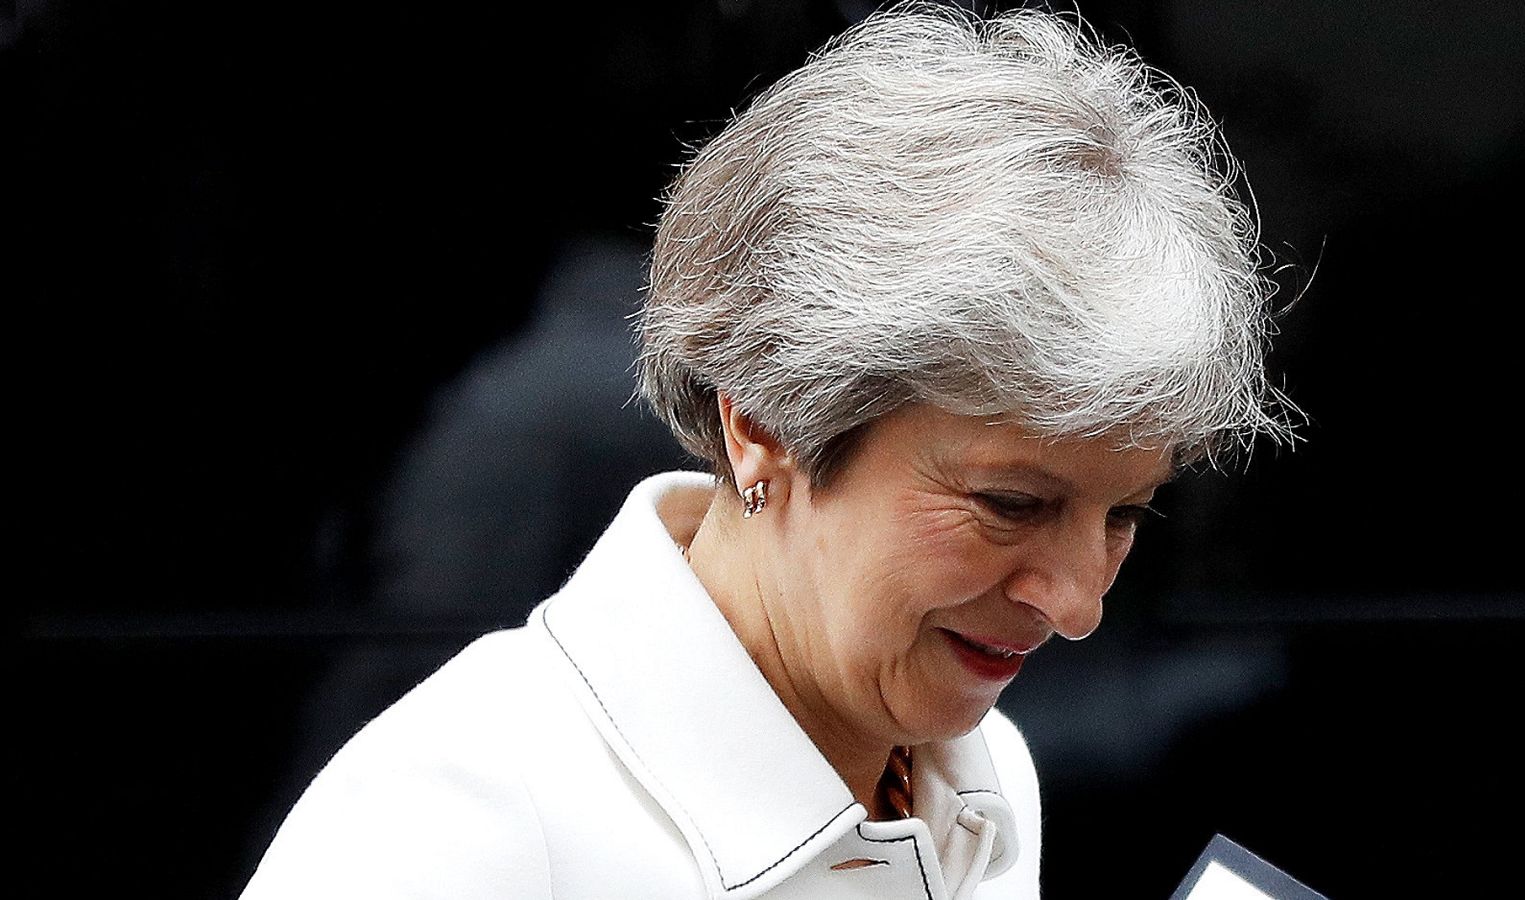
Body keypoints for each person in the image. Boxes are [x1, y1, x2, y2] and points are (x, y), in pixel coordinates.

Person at [240, 4, 1293, 898]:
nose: (1076, 604)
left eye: (1122, 515)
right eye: (1010, 505)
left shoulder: (981, 771)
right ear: (763, 423)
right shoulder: (456, 824)